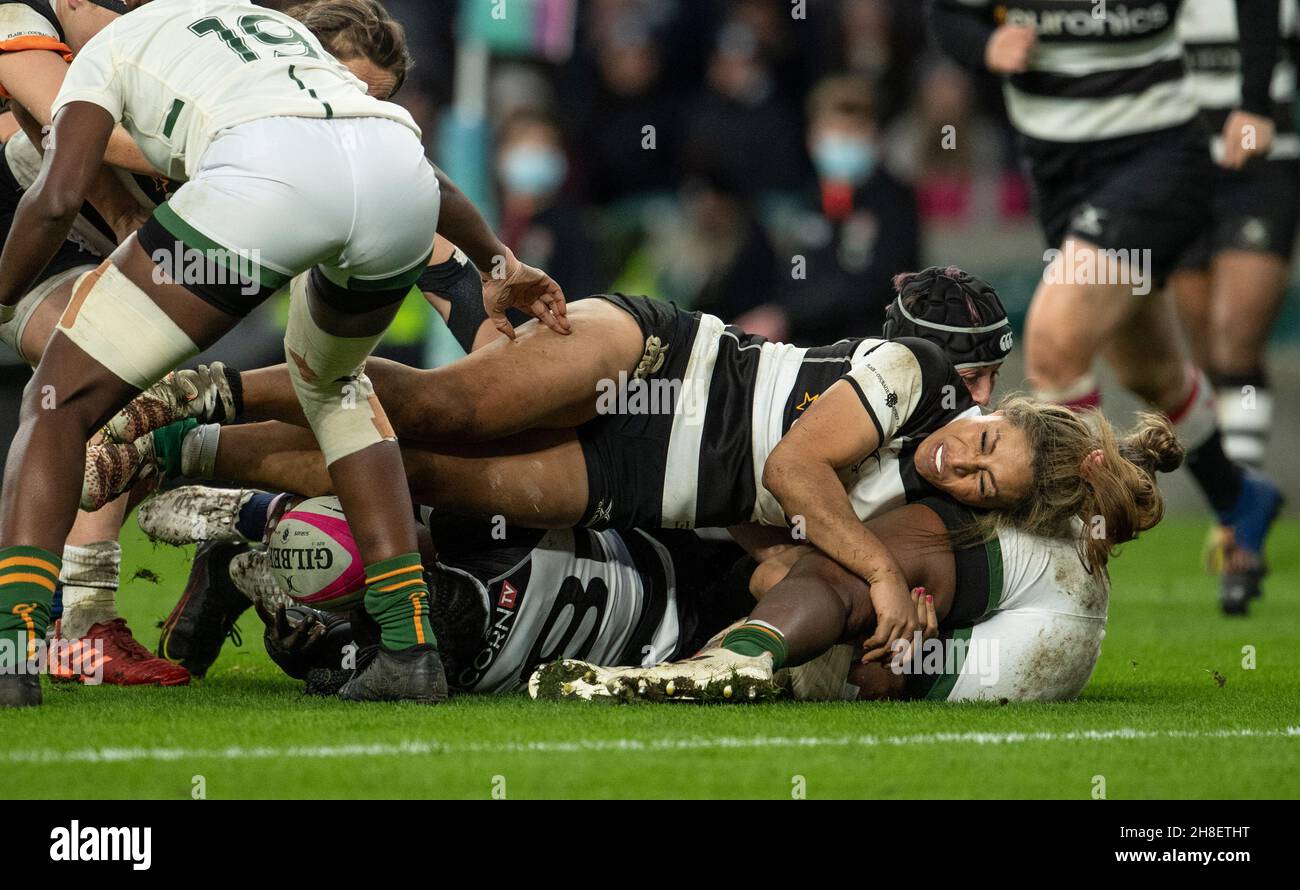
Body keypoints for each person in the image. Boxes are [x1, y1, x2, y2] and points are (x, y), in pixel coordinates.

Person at [0, 0, 564, 709]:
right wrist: (498, 261)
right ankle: (410, 648)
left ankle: (11, 649)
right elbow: (416, 170)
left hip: (259, 184)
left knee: (59, 399)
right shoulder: (275, 36)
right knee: (337, 391)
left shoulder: (105, 49)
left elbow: (55, 198)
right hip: (398, 178)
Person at [928, 0, 1285, 613]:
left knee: (1056, 340)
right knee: (1151, 369)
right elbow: (948, 15)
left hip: (1159, 159)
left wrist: (1255, 101)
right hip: (1056, 167)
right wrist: (985, 47)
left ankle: (1071, 559)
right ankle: (1239, 497)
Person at [535, 404, 1182, 702]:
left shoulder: (976, 509)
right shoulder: (912, 411)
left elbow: (780, 514)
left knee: (851, 571)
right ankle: (741, 653)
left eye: (981, 479)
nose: (957, 459)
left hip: (1031, 635)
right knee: (822, 566)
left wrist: (881, 582)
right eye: (981, 438)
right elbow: (763, 528)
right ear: (994, 409)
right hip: (1036, 628)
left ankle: (735, 663)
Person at [129, 484, 756, 694]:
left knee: (325, 659)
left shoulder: (460, 552)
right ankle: (276, 549)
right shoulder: (481, 531)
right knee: (333, 655)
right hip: (661, 597)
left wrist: (307, 651)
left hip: (658, 587)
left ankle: (273, 565)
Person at [1172, 0, 1299, 471]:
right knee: (1204, 347)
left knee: (1236, 336)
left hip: (1262, 168)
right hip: (1177, 168)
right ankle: (1233, 497)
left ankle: (1244, 510)